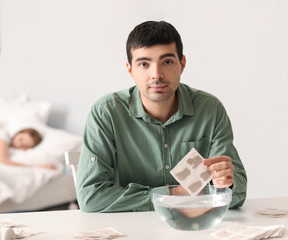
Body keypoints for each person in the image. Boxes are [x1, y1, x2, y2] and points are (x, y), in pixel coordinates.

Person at [76, 20, 247, 212]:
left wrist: (227, 184)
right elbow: (91, 197)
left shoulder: (210, 109)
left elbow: (237, 194)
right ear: (130, 69)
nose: (156, 75)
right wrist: (174, 194)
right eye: (144, 64)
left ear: (182, 64)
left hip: (194, 225)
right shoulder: (106, 113)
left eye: (167, 62)